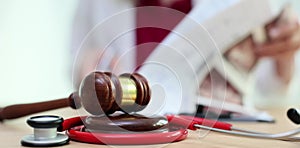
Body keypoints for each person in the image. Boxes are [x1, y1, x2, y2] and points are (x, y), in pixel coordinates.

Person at [71, 0, 300, 113]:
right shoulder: (97, 5)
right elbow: (77, 63)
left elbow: (270, 91)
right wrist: (85, 72)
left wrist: (284, 54)